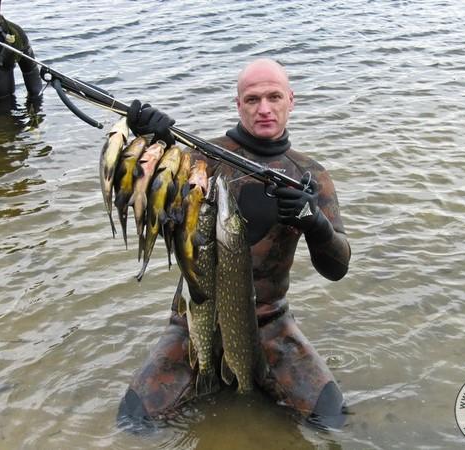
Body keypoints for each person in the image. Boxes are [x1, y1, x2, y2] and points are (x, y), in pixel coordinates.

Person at [118, 58, 352, 430]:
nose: (264, 108)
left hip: (270, 322)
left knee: (330, 419)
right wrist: (148, 143)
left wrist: (314, 222)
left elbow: (337, 268)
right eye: (252, 99)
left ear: (291, 100)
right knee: (135, 420)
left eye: (274, 97)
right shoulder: (199, 160)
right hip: (195, 320)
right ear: (238, 104)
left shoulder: (309, 175)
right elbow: (144, 210)